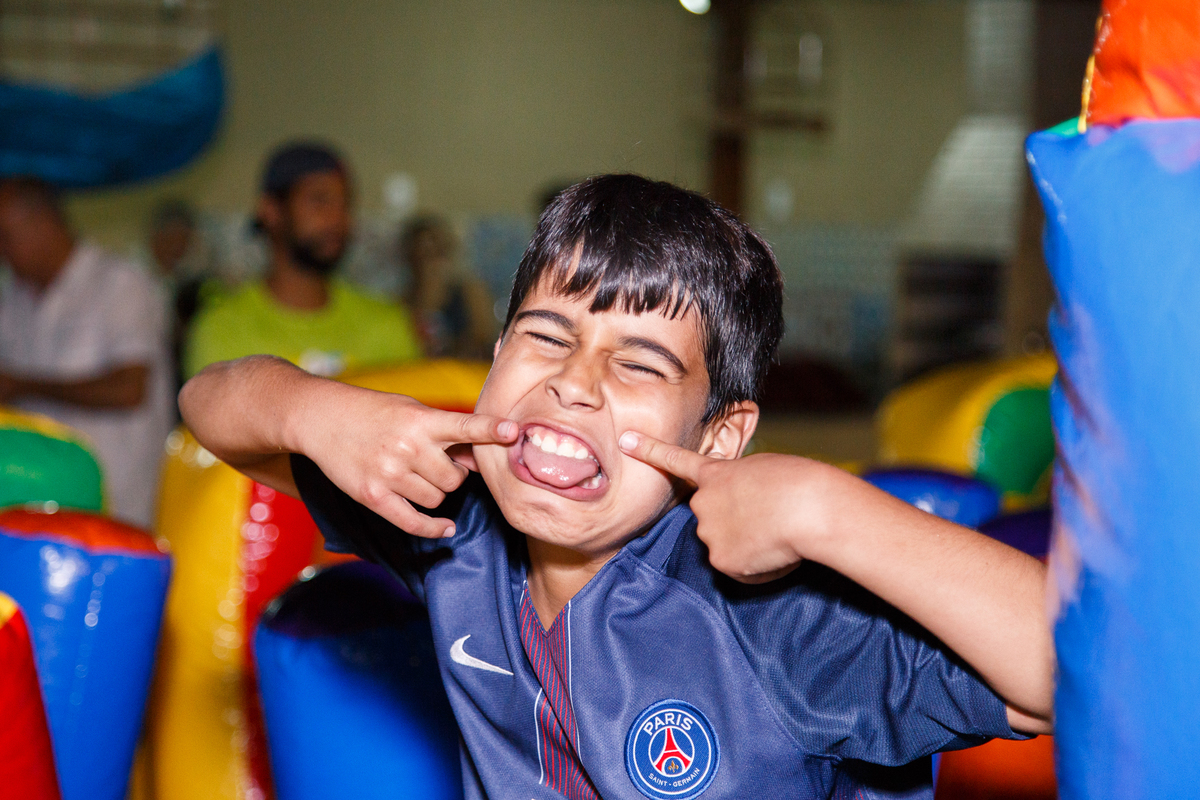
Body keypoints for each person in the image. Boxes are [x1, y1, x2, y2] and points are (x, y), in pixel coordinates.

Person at [181, 175, 1052, 798]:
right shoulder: (452, 523)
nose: (574, 382)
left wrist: (831, 512)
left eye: (639, 363)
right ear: (496, 359)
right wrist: (312, 410)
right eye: (547, 337)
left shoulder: (776, 616)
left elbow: (1065, 668)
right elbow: (210, 410)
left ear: (719, 436)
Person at [0, 177, 172, 528]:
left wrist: (23, 386)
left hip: (119, 509)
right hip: (40, 507)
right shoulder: (13, 298)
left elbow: (129, 389)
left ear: (43, 223)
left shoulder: (120, 284)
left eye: (5, 237)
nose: (1, 251)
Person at [184, 142, 421, 379]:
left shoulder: (385, 325)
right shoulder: (223, 329)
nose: (337, 217)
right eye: (319, 200)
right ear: (271, 210)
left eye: (345, 203)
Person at [400, 215, 495, 359]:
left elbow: (484, 341)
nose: (433, 261)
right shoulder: (402, 302)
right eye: (425, 253)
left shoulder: (471, 293)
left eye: (438, 251)